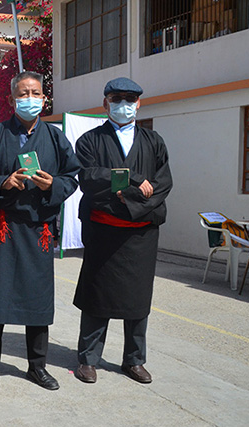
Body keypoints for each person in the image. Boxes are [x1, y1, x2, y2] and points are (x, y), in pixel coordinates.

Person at [0, 71, 80, 393]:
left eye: (35, 93)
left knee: (38, 299)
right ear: (11, 99)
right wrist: (3, 182)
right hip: (3, 227)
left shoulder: (56, 137)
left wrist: (53, 185)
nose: (29, 99)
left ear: (44, 99)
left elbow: (72, 177)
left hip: (37, 228)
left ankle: (37, 365)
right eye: (23, 93)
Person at [72, 77, 173, 385]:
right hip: (103, 232)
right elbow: (89, 180)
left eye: (130, 99)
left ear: (139, 103)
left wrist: (129, 203)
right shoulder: (90, 140)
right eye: (117, 98)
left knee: (138, 300)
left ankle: (134, 360)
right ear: (106, 103)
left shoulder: (154, 141)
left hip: (141, 235)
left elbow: (162, 184)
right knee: (96, 297)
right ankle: (88, 359)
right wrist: (129, 181)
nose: (124, 105)